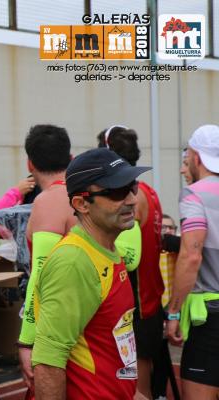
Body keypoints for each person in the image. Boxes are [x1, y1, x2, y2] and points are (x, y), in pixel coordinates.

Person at [32, 148, 151, 399]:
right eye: (117, 191)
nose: (131, 199)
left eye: (132, 186)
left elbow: (114, 355)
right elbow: (48, 364)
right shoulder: (74, 262)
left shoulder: (108, 249)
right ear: (81, 204)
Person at [97, 125, 164, 399]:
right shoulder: (147, 190)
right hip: (149, 298)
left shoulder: (130, 197)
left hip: (138, 304)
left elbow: (127, 255)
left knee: (137, 388)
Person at [17, 124, 76, 392]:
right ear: (71, 158)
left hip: (61, 327)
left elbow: (41, 273)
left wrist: (27, 341)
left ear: (30, 163)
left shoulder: (49, 201)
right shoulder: (85, 193)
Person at [167, 125, 219, 400]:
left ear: (197, 157)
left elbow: (191, 255)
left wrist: (174, 312)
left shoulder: (195, 193)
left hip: (211, 316)